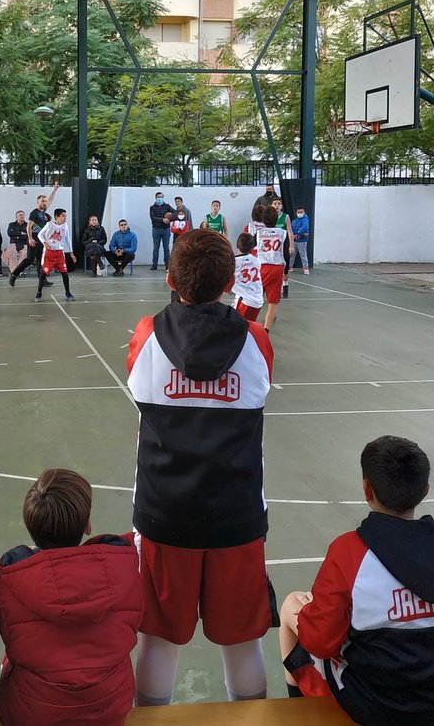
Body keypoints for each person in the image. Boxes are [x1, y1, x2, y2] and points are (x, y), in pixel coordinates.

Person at [126, 229, 274, 707]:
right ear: (232, 282)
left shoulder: (148, 333)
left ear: (170, 278)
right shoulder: (256, 340)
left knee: (159, 637)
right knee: (241, 639)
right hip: (236, 513)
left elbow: (138, 383)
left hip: (164, 513)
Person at [279, 436, 434, 725]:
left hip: (373, 707)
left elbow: (320, 643)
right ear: (425, 491)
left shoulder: (349, 553)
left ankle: (296, 710)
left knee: (292, 606)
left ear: (367, 489)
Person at [0, 469, 142, 726]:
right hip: (109, 707)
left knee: (10, 661)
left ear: (30, 527)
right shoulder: (125, 567)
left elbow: (11, 641)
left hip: (32, 715)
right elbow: (130, 627)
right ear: (87, 525)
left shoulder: (7, 579)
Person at [10, 180, 59, 289]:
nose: (45, 202)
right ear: (38, 202)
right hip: (34, 239)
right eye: (42, 201)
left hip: (41, 239)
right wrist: (30, 239)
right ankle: (14, 275)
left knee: (42, 260)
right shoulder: (34, 212)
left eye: (45, 201)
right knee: (29, 260)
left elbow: (51, 200)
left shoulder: (43, 211)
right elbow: (28, 226)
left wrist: (54, 191)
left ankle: (43, 280)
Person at [257, 207, 288, 333]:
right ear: (277, 218)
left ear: (263, 220)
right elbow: (286, 252)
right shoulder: (282, 233)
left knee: (257, 298)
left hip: (261, 267)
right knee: (273, 301)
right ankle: (266, 329)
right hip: (276, 268)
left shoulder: (258, 233)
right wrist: (286, 272)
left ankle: (251, 325)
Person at [36, 208, 75, 303]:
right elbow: (40, 235)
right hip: (49, 253)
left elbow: (67, 239)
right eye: (63, 216)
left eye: (66, 216)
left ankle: (68, 293)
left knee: (64, 273)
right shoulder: (49, 224)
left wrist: (71, 253)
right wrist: (44, 243)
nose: (65, 218)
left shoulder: (65, 226)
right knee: (43, 273)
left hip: (59, 253)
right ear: (57, 217)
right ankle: (39, 293)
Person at [232, 232, 263, 322]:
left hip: (246, 300)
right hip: (257, 299)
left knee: (239, 326)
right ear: (253, 248)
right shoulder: (256, 260)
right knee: (248, 325)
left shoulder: (234, 261)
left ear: (237, 245)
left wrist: (231, 288)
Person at [149, 191, 173, 271]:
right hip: (156, 230)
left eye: (161, 197)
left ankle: (167, 265)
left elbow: (175, 213)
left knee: (166, 248)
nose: (160, 198)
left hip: (166, 230)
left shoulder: (167, 206)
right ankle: (154, 265)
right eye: (158, 197)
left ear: (163, 198)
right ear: (155, 198)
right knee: (156, 248)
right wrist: (163, 220)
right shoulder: (152, 207)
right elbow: (153, 218)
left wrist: (170, 219)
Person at [290, 205, 310, 274]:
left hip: (302, 240)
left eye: (301, 212)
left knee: (303, 254)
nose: (300, 213)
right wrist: (293, 235)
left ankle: (305, 268)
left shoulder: (305, 220)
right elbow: (291, 228)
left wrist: (298, 234)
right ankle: (290, 266)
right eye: (298, 212)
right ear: (296, 213)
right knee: (292, 254)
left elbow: (304, 228)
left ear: (304, 212)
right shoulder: (294, 221)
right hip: (294, 240)